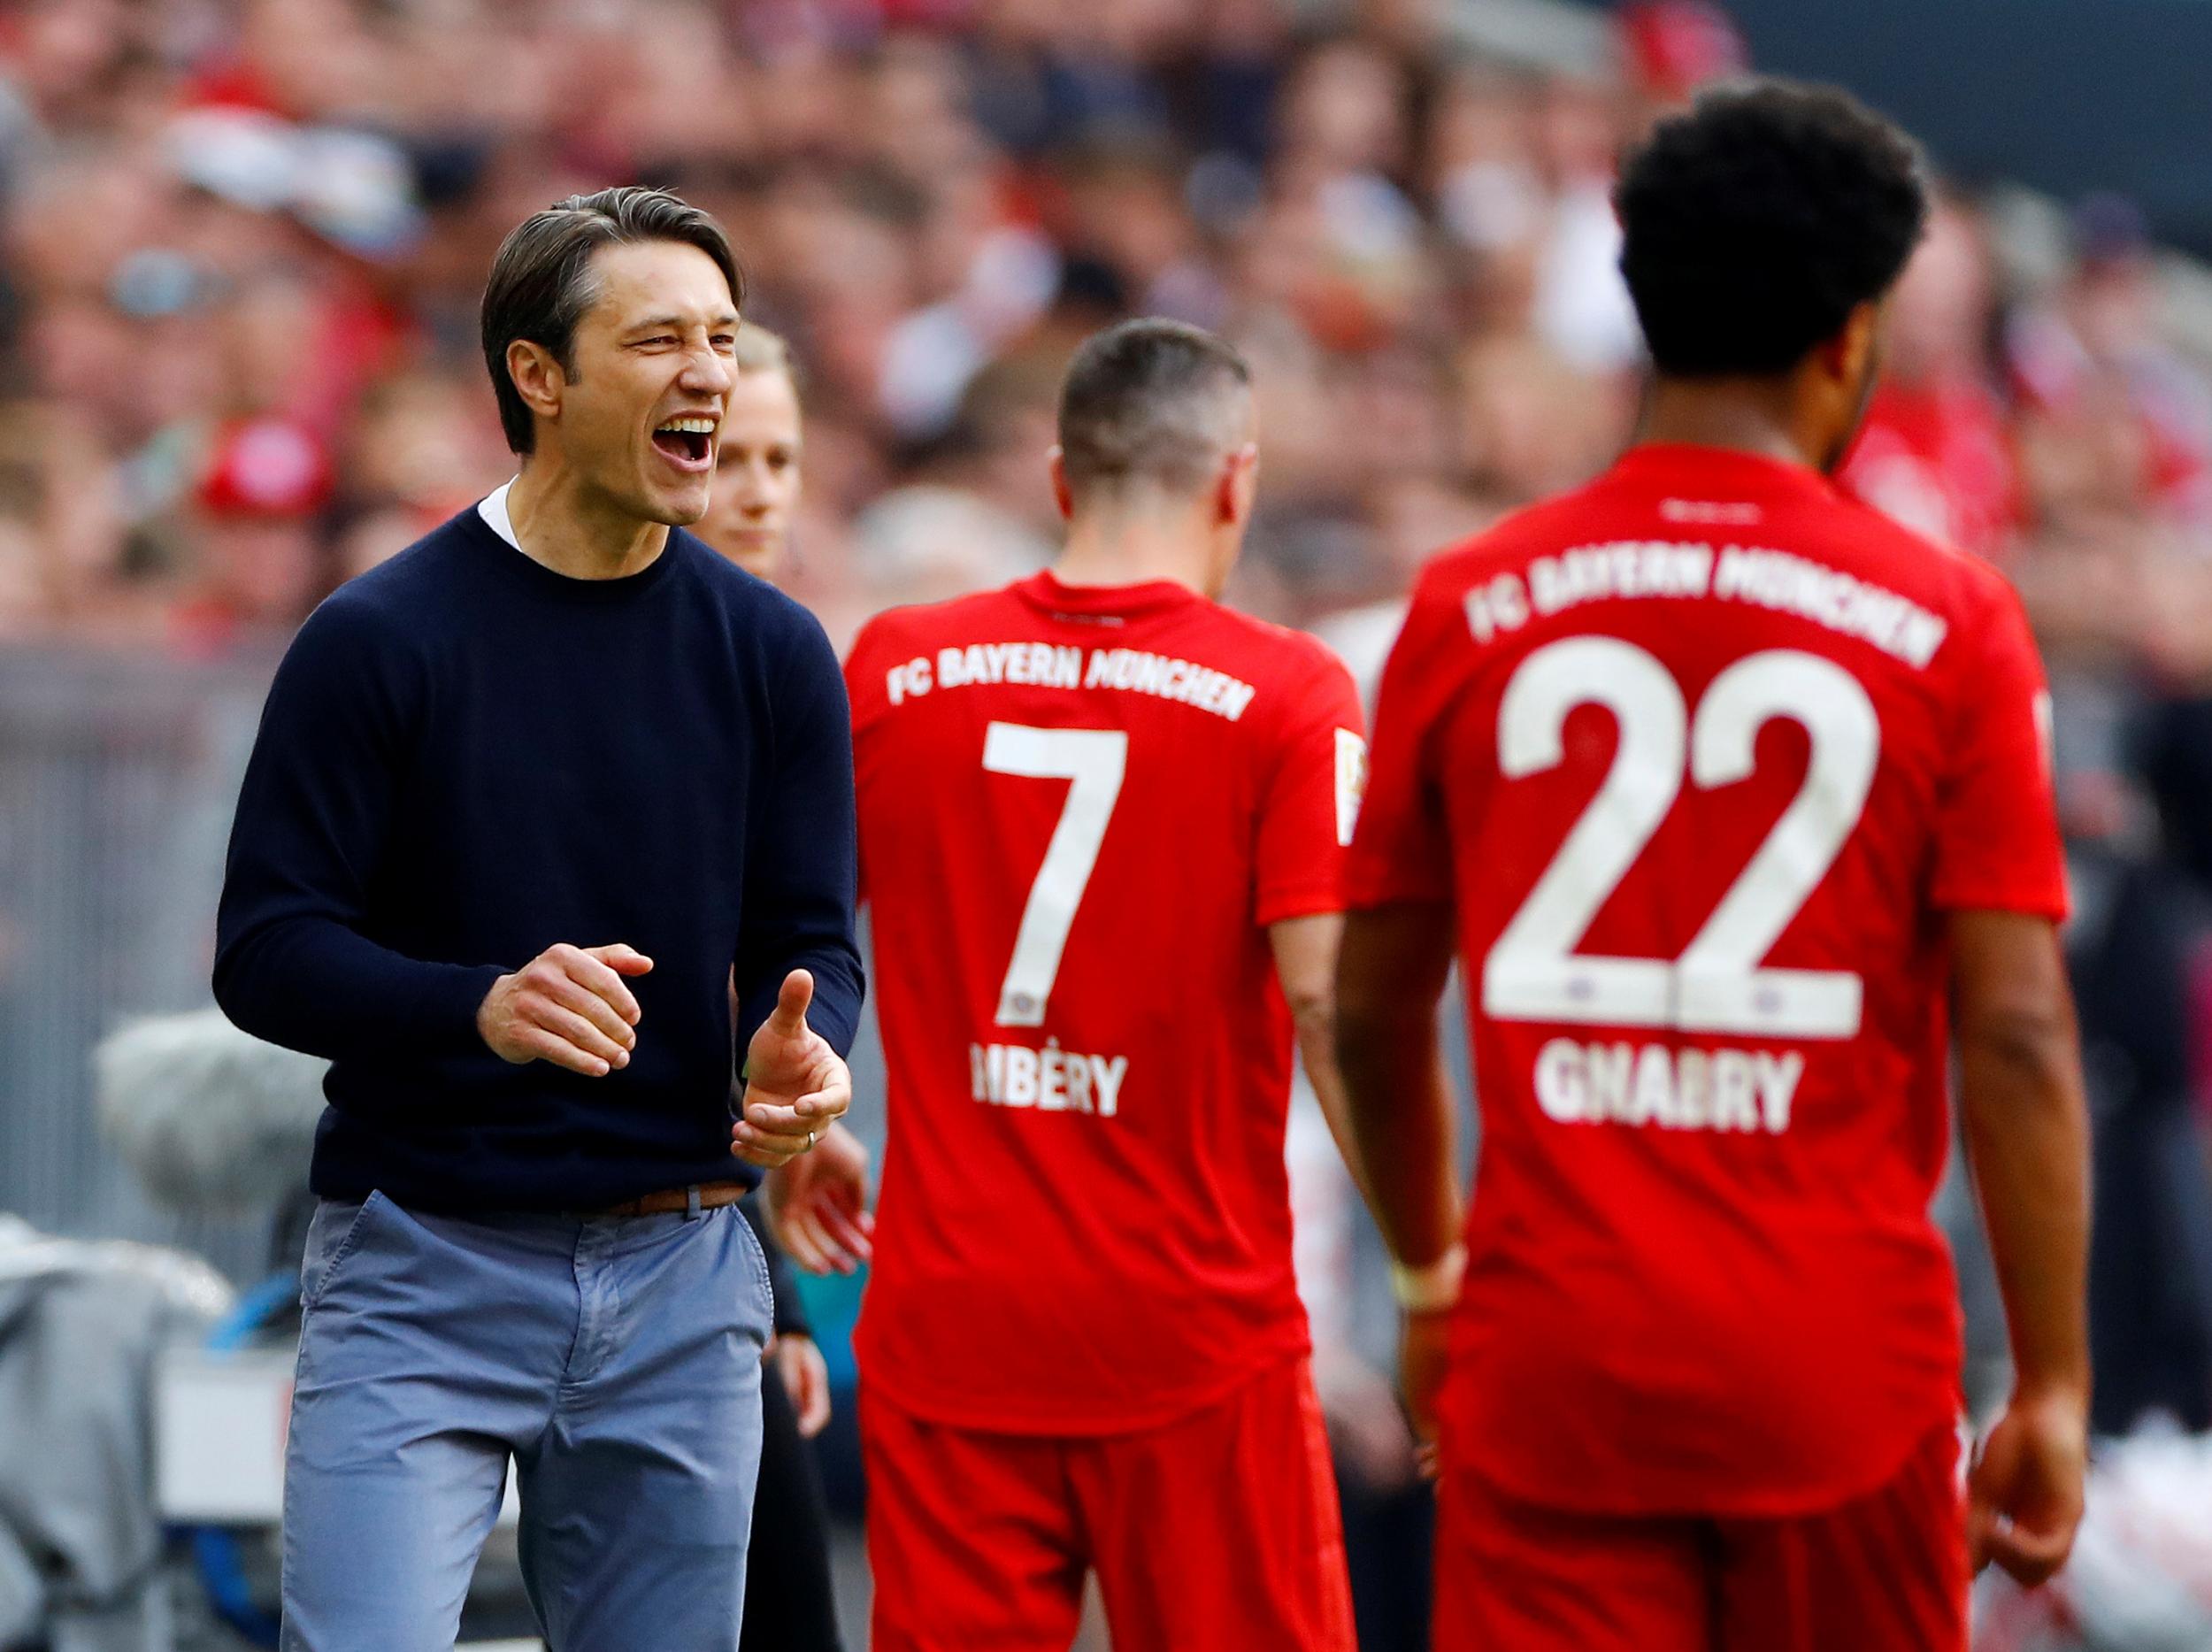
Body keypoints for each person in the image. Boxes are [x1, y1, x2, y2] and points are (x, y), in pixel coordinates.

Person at [1334, 81, 2091, 1652]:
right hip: (1843, 1377)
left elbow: (1371, 1005)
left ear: (1640, 310)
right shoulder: (1951, 623)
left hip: (1551, 1360)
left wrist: (1424, 1283)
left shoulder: (1473, 602)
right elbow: (2015, 1035)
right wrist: (2059, 1379)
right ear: (1851, 341)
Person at [211, 185, 864, 1651]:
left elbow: (815, 943)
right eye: (660, 341)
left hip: (686, 1273)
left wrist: (808, 1066)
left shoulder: (772, 652)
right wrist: (478, 1005)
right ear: (539, 375)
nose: (707, 371)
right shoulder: (379, 638)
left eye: (722, 336)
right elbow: (266, 949)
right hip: (419, 1266)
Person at [843, 318, 1364, 1652]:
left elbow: (772, 939)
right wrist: (1433, 1266)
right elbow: (1328, 1008)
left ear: (1062, 481)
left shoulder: (899, 664)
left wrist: (783, 1124)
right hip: (1191, 1324)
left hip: (953, 1308)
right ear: (1234, 482)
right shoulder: (1288, 692)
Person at [696, 317, 868, 1652]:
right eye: (724, 454)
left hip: (718, 1235)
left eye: (781, 457)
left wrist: (782, 1292)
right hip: (576, 1233)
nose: (757, 488)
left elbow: (785, 982)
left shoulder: (786, 667)